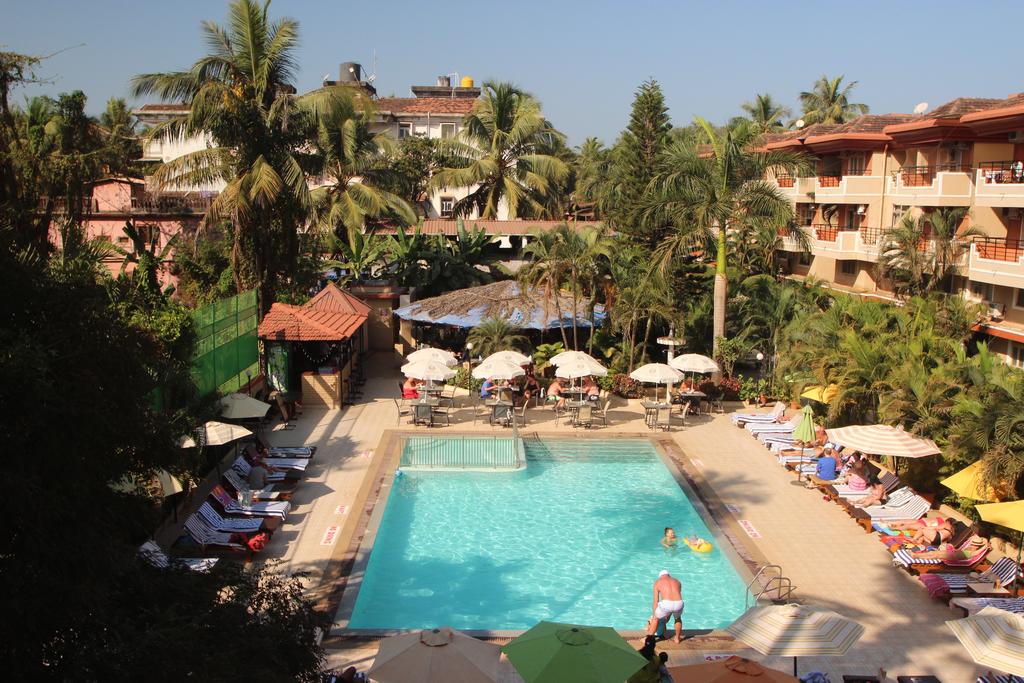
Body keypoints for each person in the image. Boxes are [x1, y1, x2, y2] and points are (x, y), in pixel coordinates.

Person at [647, 570, 684, 643]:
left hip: (667, 604)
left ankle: (648, 639)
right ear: (668, 575)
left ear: (660, 576)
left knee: (655, 618)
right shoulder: (677, 581)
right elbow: (675, 596)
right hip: (679, 603)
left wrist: (655, 614)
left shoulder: (658, 582)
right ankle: (677, 639)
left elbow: (656, 601)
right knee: (677, 619)